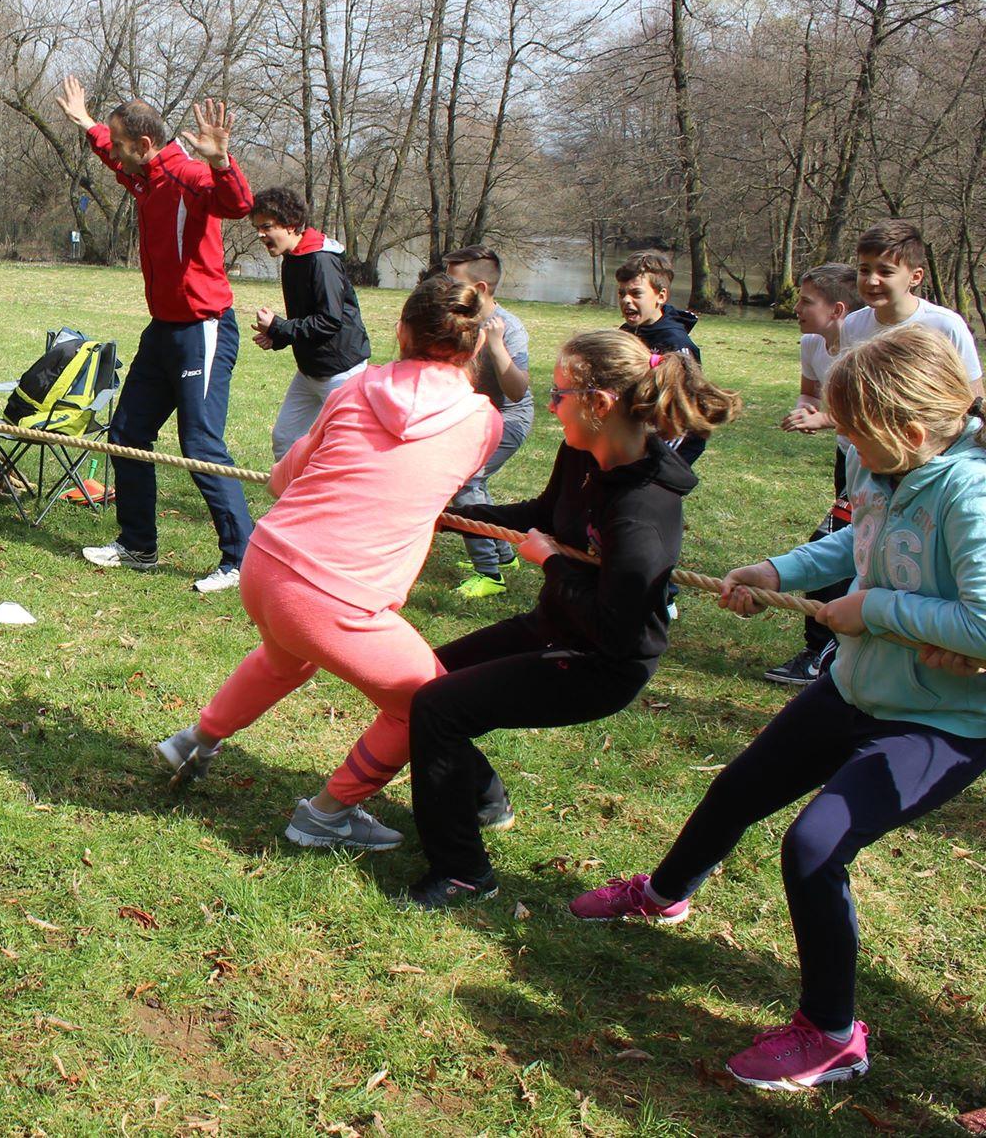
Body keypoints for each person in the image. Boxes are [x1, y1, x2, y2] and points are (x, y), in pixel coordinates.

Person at [570, 327, 986, 1092]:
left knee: (815, 847)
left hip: (939, 722)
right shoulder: (886, 463)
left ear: (916, 433)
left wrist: (877, 610)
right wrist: (774, 570)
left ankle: (832, 1034)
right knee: (739, 788)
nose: (848, 444)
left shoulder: (968, 491)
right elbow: (851, 545)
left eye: (856, 431)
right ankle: (663, 896)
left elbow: (983, 623)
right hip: (857, 686)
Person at [153, 276, 500, 850]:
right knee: (429, 707)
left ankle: (195, 739)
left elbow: (284, 478)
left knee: (284, 659)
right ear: (474, 348)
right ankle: (326, 815)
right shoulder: (483, 422)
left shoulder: (356, 388)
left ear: (401, 332)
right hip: (336, 593)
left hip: (267, 564)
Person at [401, 328, 742, 910]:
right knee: (419, 680)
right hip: (556, 624)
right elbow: (544, 515)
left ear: (599, 404)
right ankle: (482, 797)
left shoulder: (643, 515)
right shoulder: (581, 453)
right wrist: (452, 517)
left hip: (599, 663)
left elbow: (620, 630)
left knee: (438, 709)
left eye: (558, 395)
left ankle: (462, 871)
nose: (551, 405)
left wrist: (555, 566)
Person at [56, 74, 256, 594]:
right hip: (163, 330)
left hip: (203, 328)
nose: (117, 157)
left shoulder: (189, 175)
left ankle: (241, 559)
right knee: (127, 434)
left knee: (200, 444)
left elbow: (235, 205)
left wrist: (221, 161)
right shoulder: (145, 175)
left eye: (123, 147)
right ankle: (138, 545)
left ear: (145, 145)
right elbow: (111, 153)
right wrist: (88, 124)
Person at [764, 262, 863, 687]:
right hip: (853, 459)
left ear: (838, 309)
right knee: (852, 545)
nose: (796, 307)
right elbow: (811, 390)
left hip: (879, 461)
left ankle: (821, 654)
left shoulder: (869, 348)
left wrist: (825, 420)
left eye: (807, 301)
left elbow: (869, 413)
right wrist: (807, 408)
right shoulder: (812, 343)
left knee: (832, 544)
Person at [247, 186, 369, 457]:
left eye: (266, 226)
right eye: (257, 227)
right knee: (286, 438)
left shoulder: (321, 259)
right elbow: (305, 317)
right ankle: (295, 499)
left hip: (342, 372)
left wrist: (279, 326)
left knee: (345, 450)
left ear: (290, 225)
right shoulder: (292, 257)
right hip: (310, 370)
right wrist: (277, 337)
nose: (260, 234)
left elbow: (328, 321)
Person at [440, 246, 533, 598]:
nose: (446, 288)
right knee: (476, 484)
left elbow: (517, 389)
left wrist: (495, 345)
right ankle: (505, 554)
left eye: (453, 282)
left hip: (509, 417)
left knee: (465, 482)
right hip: (477, 416)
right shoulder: (460, 320)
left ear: (479, 288)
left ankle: (489, 574)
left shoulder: (509, 328)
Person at [838, 219, 982, 396]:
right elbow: (851, 391)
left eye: (886, 272)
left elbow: (974, 399)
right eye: (864, 270)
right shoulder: (853, 324)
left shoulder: (946, 325)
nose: (871, 281)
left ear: (915, 277)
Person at [614, 250, 707, 466]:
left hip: (668, 451)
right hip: (635, 439)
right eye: (621, 293)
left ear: (661, 296)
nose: (626, 300)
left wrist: (654, 463)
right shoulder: (627, 332)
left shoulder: (676, 344)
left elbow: (685, 416)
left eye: (636, 294)